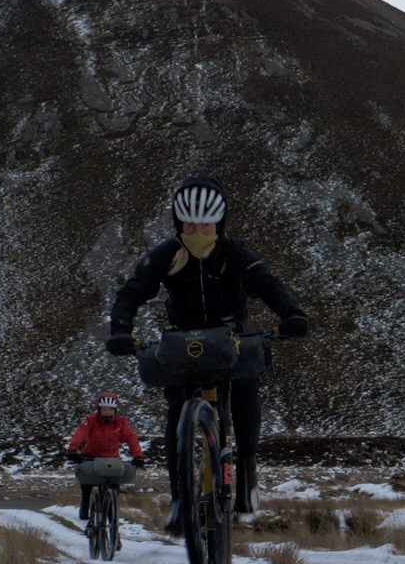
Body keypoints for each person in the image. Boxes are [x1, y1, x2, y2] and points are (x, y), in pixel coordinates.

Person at [106, 176, 308, 534]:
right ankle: (180, 499)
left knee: (245, 389)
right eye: (189, 223)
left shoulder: (235, 253)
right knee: (177, 415)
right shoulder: (167, 254)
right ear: (178, 223)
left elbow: (268, 284)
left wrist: (291, 313)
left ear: (220, 223)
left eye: (206, 223)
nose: (198, 230)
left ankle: (246, 469)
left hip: (232, 338)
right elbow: (132, 292)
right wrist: (121, 330)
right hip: (185, 344)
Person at [65, 392, 145, 521]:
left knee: (114, 483)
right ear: (99, 409)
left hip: (112, 458)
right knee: (87, 483)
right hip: (90, 457)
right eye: (104, 409)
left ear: (115, 410)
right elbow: (81, 433)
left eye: (110, 409)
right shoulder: (91, 420)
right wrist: (73, 450)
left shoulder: (121, 423)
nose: (107, 412)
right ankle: (85, 504)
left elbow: (132, 439)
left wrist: (138, 456)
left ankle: (111, 510)